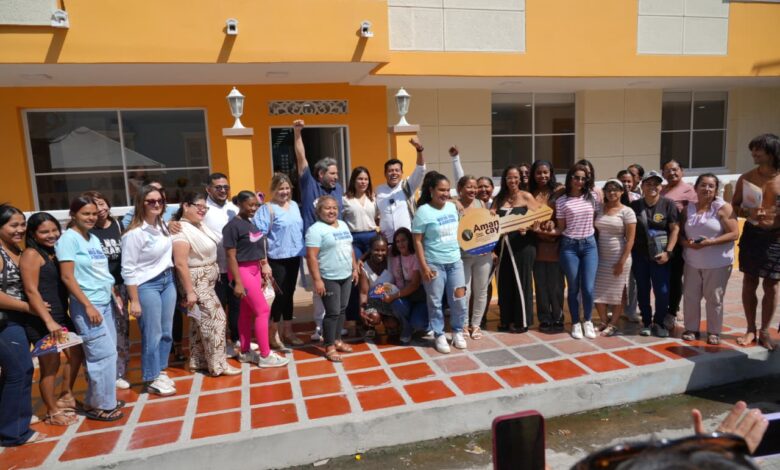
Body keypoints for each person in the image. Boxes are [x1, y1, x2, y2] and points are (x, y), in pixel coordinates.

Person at [57, 197, 124, 421]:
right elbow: (67, 277)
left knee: (109, 353)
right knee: (101, 356)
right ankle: (99, 406)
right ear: (73, 214)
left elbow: (101, 272)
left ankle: (101, 399)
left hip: (104, 301)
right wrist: (87, 305)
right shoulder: (69, 239)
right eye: (86, 213)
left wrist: (113, 293)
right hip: (88, 305)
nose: (91, 217)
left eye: (94, 214)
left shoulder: (92, 237)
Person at [20, 213, 82, 426]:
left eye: (54, 229)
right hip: (42, 319)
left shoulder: (55, 252)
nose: (51, 235)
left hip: (61, 316)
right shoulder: (31, 254)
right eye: (44, 232)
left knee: (76, 354)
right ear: (33, 234)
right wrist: (48, 321)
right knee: (50, 365)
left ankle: (66, 395)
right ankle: (52, 411)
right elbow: (31, 290)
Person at [172, 193, 241, 376]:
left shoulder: (199, 225)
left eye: (205, 207)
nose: (202, 210)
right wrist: (190, 291)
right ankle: (218, 365)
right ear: (186, 206)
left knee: (199, 322)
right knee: (217, 319)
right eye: (199, 206)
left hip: (207, 281)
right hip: (196, 282)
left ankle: (198, 360)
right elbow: (180, 263)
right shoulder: (180, 229)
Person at [122, 185, 177, 396]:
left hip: (167, 281)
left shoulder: (162, 225)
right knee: (152, 333)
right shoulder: (134, 234)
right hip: (146, 285)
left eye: (160, 201)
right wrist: (134, 300)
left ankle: (160, 370)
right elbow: (128, 269)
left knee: (166, 332)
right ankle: (151, 377)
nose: (156, 204)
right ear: (141, 203)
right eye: (151, 201)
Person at [224, 191, 289, 368]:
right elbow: (230, 257)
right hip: (242, 272)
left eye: (256, 205)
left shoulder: (250, 223)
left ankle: (245, 351)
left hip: (254, 271)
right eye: (250, 205)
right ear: (240, 204)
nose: (254, 208)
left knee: (246, 312)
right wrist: (238, 282)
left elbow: (257, 250)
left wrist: (260, 272)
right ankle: (265, 355)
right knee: (263, 310)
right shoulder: (232, 227)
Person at [293, 119, 345, 342]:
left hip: (336, 246)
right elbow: (301, 158)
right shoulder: (309, 184)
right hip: (315, 248)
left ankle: (334, 325)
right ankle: (319, 325)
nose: (336, 177)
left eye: (336, 173)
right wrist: (297, 133)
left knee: (336, 285)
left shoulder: (338, 189)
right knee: (319, 287)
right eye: (332, 173)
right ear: (321, 173)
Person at [0, 205, 47, 445]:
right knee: (20, 370)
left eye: (22, 224)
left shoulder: (15, 249)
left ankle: (10, 421)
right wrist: (29, 307)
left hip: (16, 319)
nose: (20, 229)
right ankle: (14, 433)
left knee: (13, 372)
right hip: (5, 322)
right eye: (13, 225)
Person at [732, 134, 780, 350]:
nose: (753, 153)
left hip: (776, 237)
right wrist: (748, 212)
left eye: (758, 150)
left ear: (772, 152)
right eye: (752, 149)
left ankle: (765, 331)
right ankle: (750, 328)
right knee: (749, 281)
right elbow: (734, 206)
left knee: (772, 285)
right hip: (752, 234)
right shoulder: (747, 178)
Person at [413, 172, 468, 353]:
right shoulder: (423, 212)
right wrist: (424, 267)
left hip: (455, 262)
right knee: (435, 302)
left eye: (447, 190)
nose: (445, 193)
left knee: (459, 299)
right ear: (431, 190)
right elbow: (417, 241)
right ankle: (439, 334)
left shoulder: (452, 207)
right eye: (441, 190)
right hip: (434, 264)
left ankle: (458, 331)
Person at [679, 174, 738, 346]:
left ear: (716, 189)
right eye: (703, 185)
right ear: (695, 188)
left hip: (717, 263)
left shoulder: (723, 208)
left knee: (714, 298)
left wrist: (710, 242)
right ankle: (691, 328)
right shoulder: (688, 209)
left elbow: (734, 233)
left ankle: (714, 331)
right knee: (690, 296)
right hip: (692, 261)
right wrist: (686, 243)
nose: (707, 189)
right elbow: (680, 233)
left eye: (711, 186)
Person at [83, 191, 131, 390]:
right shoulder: (87, 230)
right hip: (99, 288)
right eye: (94, 206)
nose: (100, 209)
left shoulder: (119, 225)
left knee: (121, 329)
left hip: (121, 286)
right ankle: (102, 373)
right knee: (102, 331)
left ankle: (120, 371)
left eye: (102, 203)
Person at [254, 173, 305, 347]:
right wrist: (264, 263)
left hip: (294, 256)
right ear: (273, 190)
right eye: (280, 188)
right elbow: (259, 237)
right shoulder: (267, 209)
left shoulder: (294, 206)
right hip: (276, 258)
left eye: (287, 188)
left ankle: (288, 331)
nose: (284, 192)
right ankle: (273, 331)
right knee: (279, 295)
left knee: (290, 293)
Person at [305, 195, 358, 362]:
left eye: (334, 208)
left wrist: (354, 268)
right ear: (319, 211)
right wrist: (317, 280)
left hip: (346, 275)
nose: (331, 211)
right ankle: (329, 346)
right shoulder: (315, 230)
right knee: (332, 312)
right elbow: (311, 257)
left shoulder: (343, 224)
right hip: (328, 277)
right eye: (327, 208)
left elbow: (349, 247)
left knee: (342, 309)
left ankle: (337, 340)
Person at [550, 164, 599, 339]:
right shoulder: (561, 201)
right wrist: (542, 230)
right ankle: (576, 322)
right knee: (573, 287)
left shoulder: (592, 196)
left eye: (583, 178)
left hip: (589, 245)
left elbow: (594, 220)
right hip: (569, 246)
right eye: (576, 177)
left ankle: (588, 320)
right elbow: (560, 228)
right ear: (570, 178)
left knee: (588, 288)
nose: (579, 181)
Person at [630, 170, 680, 338]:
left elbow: (675, 229)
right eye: (648, 184)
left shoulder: (668, 204)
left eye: (656, 184)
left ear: (661, 186)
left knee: (662, 291)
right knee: (643, 289)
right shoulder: (635, 206)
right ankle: (646, 322)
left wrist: (668, 253)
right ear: (642, 186)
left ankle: (659, 322)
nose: (652, 187)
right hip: (640, 256)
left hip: (661, 256)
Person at [493, 165, 541, 334]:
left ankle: (522, 321)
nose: (512, 180)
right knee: (504, 282)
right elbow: (490, 220)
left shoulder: (526, 196)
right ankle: (506, 319)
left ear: (520, 179)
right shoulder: (499, 199)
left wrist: (528, 227)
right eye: (509, 177)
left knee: (522, 282)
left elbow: (539, 218)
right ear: (504, 180)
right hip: (503, 246)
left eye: (515, 177)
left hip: (523, 245)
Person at [201, 173, 244, 356]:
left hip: (234, 268)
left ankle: (236, 339)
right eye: (218, 187)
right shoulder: (202, 209)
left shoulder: (234, 209)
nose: (223, 190)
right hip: (214, 269)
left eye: (226, 187)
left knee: (236, 307)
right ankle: (221, 343)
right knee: (218, 309)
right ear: (208, 189)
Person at [593, 180, 637, 336]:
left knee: (619, 293)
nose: (612, 193)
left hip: (619, 256)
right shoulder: (599, 208)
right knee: (598, 290)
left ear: (622, 192)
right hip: (600, 256)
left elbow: (630, 240)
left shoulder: (627, 211)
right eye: (609, 190)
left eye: (615, 189)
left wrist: (621, 262)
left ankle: (613, 324)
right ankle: (604, 321)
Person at [661, 159, 698, 331]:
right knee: (663, 277)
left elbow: (696, 214)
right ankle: (665, 307)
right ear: (663, 173)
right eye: (667, 170)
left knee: (675, 277)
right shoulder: (661, 189)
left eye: (675, 170)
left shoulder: (690, 191)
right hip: (660, 240)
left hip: (678, 241)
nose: (671, 173)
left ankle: (672, 312)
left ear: (682, 171)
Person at [343, 166, 380, 336]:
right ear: (354, 180)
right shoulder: (345, 199)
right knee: (355, 278)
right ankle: (352, 318)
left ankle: (372, 316)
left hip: (372, 239)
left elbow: (378, 218)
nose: (363, 182)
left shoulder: (374, 198)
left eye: (366, 179)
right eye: (360, 179)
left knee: (373, 278)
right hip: (354, 240)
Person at [530, 160, 565, 333]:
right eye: (538, 172)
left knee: (556, 284)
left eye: (545, 172)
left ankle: (558, 317)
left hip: (555, 243)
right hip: (536, 243)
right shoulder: (530, 193)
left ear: (551, 173)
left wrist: (554, 223)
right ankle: (544, 318)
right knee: (541, 284)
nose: (542, 176)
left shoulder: (560, 191)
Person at [456, 174, 492, 339]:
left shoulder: (481, 203)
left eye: (474, 187)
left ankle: (476, 325)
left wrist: (489, 247)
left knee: (481, 291)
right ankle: (464, 324)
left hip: (483, 255)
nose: (473, 190)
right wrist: (454, 200)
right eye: (469, 187)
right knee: (465, 291)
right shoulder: (454, 205)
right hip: (464, 255)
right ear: (460, 189)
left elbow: (486, 228)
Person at [376, 138, 427, 244]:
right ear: (385, 173)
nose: (394, 173)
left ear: (402, 172)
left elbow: (420, 169)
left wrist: (419, 150)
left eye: (397, 170)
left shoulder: (408, 185)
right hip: (388, 243)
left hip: (408, 241)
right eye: (390, 171)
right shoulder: (379, 190)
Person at [388, 228, 429, 343]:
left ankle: (424, 324)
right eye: (397, 241)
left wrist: (393, 296)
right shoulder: (394, 255)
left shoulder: (416, 256)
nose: (400, 244)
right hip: (403, 297)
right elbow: (375, 248)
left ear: (409, 240)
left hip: (418, 296)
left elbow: (415, 285)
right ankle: (407, 328)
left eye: (403, 240)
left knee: (418, 323)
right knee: (397, 304)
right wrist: (361, 260)